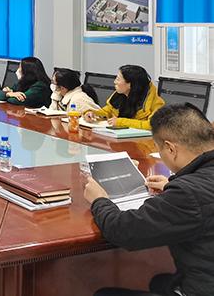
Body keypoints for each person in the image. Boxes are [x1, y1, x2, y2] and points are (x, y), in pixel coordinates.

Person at [84, 104, 214, 296]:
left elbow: (123, 230)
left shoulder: (187, 194)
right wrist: (173, 184)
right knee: (159, 282)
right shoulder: (193, 187)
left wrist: (99, 200)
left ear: (171, 149)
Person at [84, 65, 165, 130]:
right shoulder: (120, 95)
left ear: (130, 84)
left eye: (118, 79)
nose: (114, 82)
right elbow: (107, 111)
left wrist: (121, 122)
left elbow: (151, 125)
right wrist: (93, 113)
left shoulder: (156, 103)